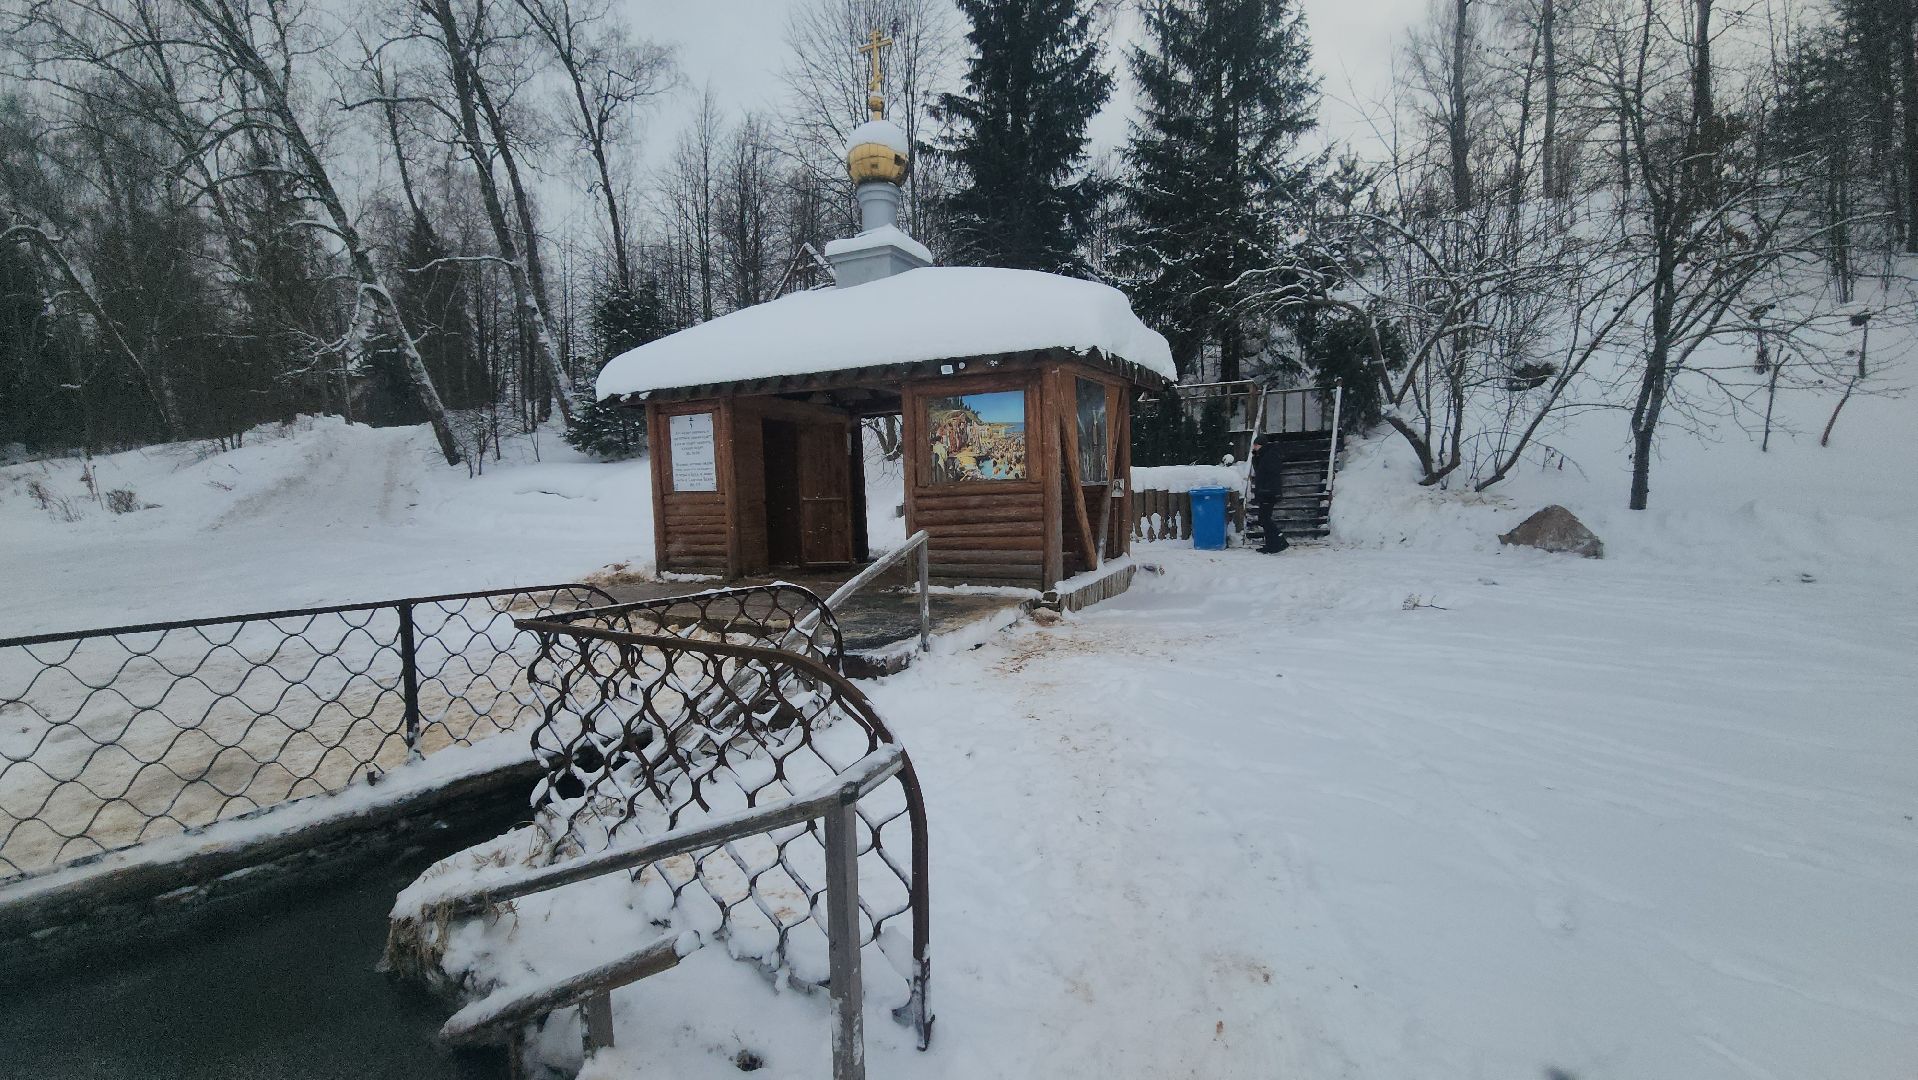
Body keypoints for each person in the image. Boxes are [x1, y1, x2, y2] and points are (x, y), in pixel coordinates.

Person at [1249, 432, 1290, 554]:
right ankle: (1272, 544)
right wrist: (1255, 457)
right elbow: (1259, 470)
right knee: (1264, 518)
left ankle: (1280, 540)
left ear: (1261, 445)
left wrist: (1266, 488)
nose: (1254, 447)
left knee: (1264, 518)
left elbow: (1270, 473)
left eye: (1255, 445)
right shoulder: (1263, 455)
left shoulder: (1270, 455)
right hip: (1265, 491)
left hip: (1269, 492)